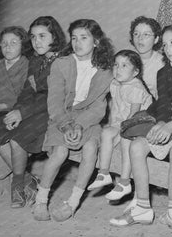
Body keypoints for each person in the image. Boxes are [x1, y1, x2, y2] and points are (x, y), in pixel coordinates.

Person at [110, 24, 172, 237]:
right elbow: (163, 103)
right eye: (164, 44)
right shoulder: (164, 72)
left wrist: (171, 124)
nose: (167, 48)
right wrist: (161, 122)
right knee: (137, 146)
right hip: (168, 119)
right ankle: (142, 208)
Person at [32, 19, 114, 222]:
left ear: (96, 41)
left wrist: (79, 124)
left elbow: (98, 107)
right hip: (61, 116)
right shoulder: (61, 63)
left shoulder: (105, 70)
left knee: (89, 149)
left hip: (88, 119)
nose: (78, 43)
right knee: (60, 152)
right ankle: (41, 200)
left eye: (84, 38)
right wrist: (66, 124)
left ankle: (73, 202)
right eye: (74, 38)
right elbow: (55, 101)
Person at [0, 16, 66, 208]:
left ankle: (17, 185)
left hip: (52, 111)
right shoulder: (36, 61)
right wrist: (18, 110)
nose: (37, 41)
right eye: (33, 37)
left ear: (54, 36)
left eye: (42, 36)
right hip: (32, 109)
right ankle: (28, 180)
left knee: (16, 139)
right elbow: (27, 92)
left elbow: (53, 98)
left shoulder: (61, 61)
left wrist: (22, 113)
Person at [87, 50, 152, 206]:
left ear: (135, 72)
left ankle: (124, 181)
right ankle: (103, 173)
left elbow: (133, 116)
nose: (118, 69)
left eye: (124, 65)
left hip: (139, 124)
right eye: (116, 65)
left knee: (124, 139)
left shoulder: (136, 87)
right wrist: (111, 127)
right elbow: (115, 110)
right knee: (106, 132)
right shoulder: (115, 83)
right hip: (121, 122)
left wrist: (119, 134)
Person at [0, 26, 31, 187]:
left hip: (21, 113)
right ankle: (25, 177)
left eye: (13, 42)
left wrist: (1, 106)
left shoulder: (28, 67)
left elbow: (27, 96)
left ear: (23, 45)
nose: (8, 47)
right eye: (4, 44)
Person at [129, 16, 164, 99]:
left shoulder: (163, 64)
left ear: (156, 39)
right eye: (136, 34)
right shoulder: (126, 59)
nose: (140, 38)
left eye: (146, 34)